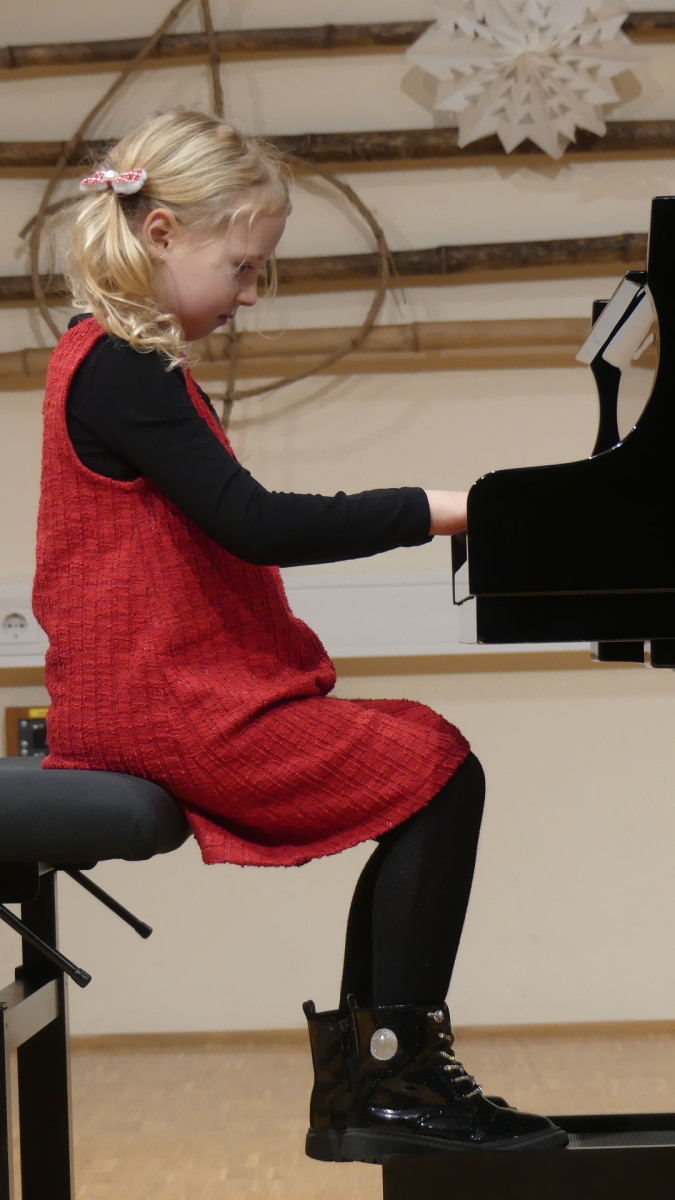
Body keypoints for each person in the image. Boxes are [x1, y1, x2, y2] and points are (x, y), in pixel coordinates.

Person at [32, 108, 567, 1164]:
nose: (250, 294)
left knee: (425, 763)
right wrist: (445, 507)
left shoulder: (111, 360)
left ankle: (377, 1080)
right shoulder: (122, 368)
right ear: (161, 233)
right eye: (242, 267)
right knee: (435, 768)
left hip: (154, 693)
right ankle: (392, 1082)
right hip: (165, 706)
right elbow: (256, 523)